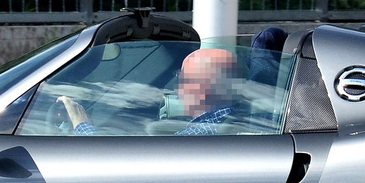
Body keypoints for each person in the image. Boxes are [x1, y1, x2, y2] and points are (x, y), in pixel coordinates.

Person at [58, 47, 242, 136]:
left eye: (182, 80)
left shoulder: (200, 134)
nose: (175, 89)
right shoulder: (236, 119)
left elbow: (121, 168)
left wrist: (80, 122)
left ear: (204, 89)